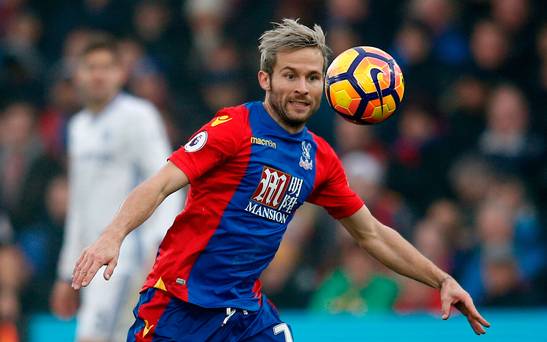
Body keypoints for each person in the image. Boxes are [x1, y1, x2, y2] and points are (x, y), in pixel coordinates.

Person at [71, 19, 490, 341]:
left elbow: (373, 235)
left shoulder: (319, 158)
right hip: (179, 307)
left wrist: (442, 279)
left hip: (245, 314)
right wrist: (113, 236)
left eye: (313, 77)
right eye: (290, 75)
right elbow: (160, 184)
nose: (303, 88)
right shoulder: (234, 128)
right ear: (265, 79)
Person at [50, 36, 183, 342]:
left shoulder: (138, 117)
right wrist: (65, 273)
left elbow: (168, 183)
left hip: (128, 256)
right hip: (92, 260)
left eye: (107, 67)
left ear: (121, 74)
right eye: (91, 67)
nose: (98, 75)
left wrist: (159, 247)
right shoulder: (78, 127)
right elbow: (79, 208)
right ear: (77, 74)